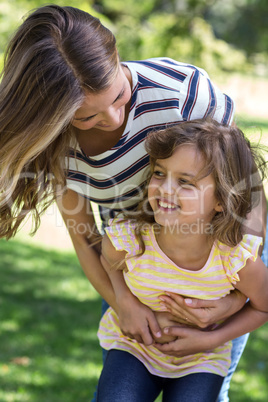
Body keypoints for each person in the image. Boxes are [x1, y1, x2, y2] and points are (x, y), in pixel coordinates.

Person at [0, 5, 266, 401]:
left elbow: (248, 192)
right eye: (86, 117)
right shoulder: (55, 143)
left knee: (208, 388)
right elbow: (87, 238)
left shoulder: (182, 92)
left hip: (227, 255)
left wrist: (230, 303)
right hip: (143, 263)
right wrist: (124, 303)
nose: (112, 116)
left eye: (119, 95)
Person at [96, 119, 268, 402]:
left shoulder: (236, 259)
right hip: (134, 348)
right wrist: (123, 297)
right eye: (159, 173)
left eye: (185, 182)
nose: (165, 189)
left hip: (202, 358)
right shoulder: (129, 240)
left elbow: (263, 306)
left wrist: (213, 339)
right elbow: (108, 261)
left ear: (222, 200)